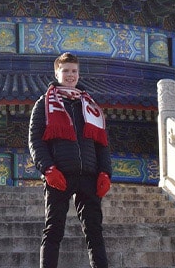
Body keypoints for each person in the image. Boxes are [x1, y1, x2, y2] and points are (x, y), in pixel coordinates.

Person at [28, 52, 112, 268]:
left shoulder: (90, 106)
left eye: (74, 71)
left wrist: (105, 172)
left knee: (95, 232)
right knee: (54, 229)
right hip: (60, 174)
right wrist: (48, 169)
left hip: (89, 176)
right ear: (57, 72)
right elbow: (35, 141)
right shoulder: (44, 104)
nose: (70, 75)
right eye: (65, 71)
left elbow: (101, 142)